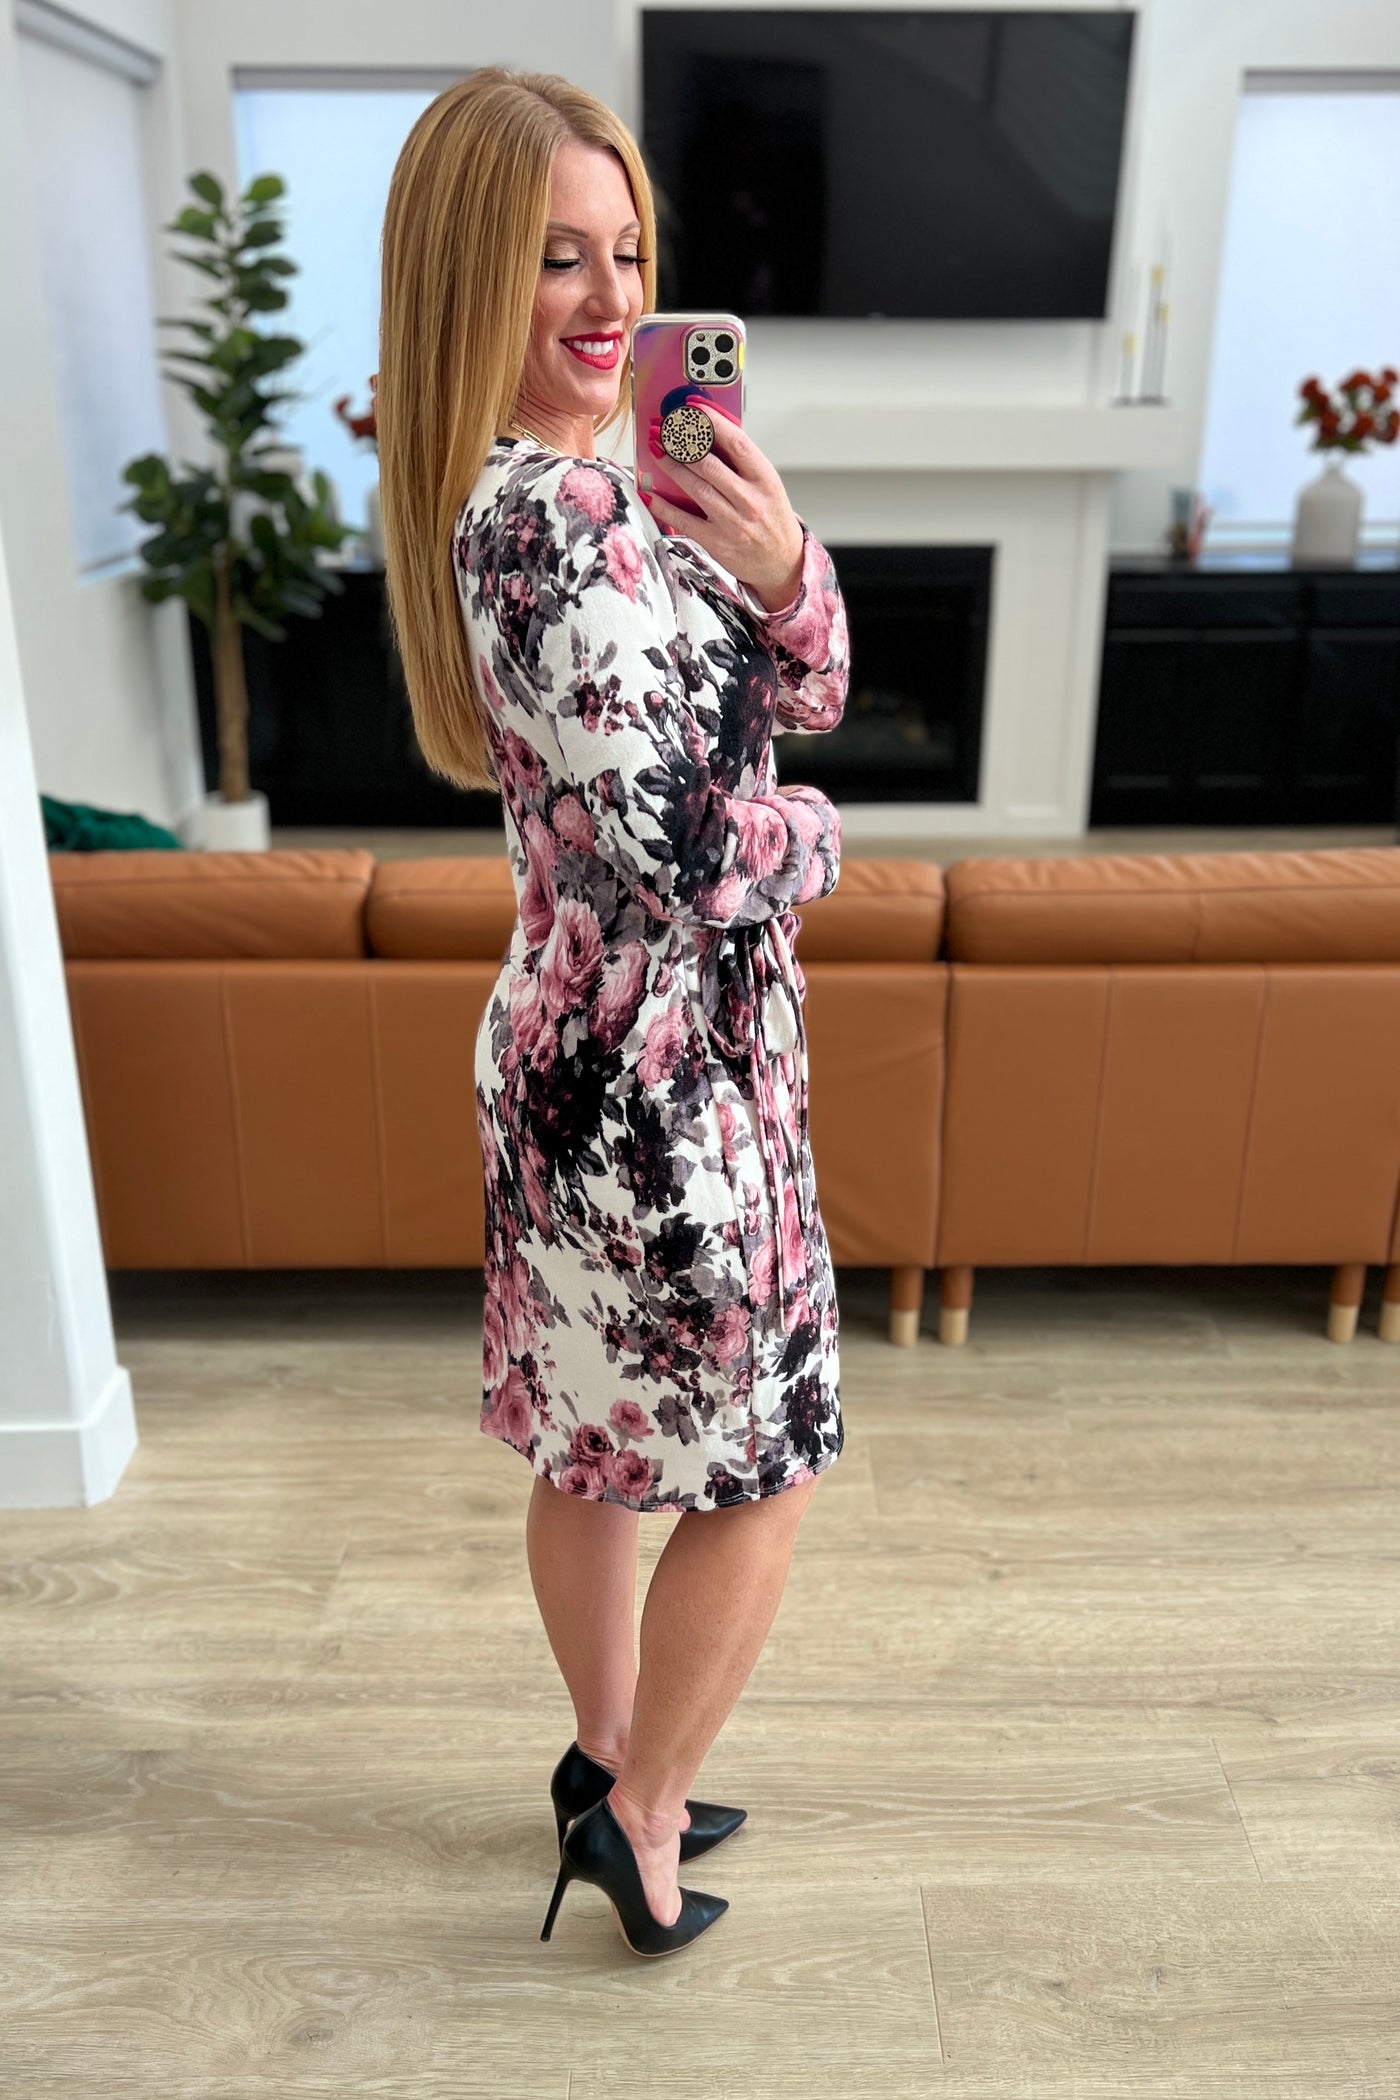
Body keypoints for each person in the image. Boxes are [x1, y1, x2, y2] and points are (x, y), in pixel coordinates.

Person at [377, 67, 849, 1958]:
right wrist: (824, 837)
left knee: (593, 1443)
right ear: (463, 279)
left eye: (628, 253)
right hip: (669, 1088)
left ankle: (603, 1759)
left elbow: (799, 690)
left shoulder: (579, 493)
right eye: (552, 256)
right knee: (767, 1468)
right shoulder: (565, 520)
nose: (605, 298)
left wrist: (783, 570)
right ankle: (642, 1822)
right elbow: (692, 846)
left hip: (584, 1065)